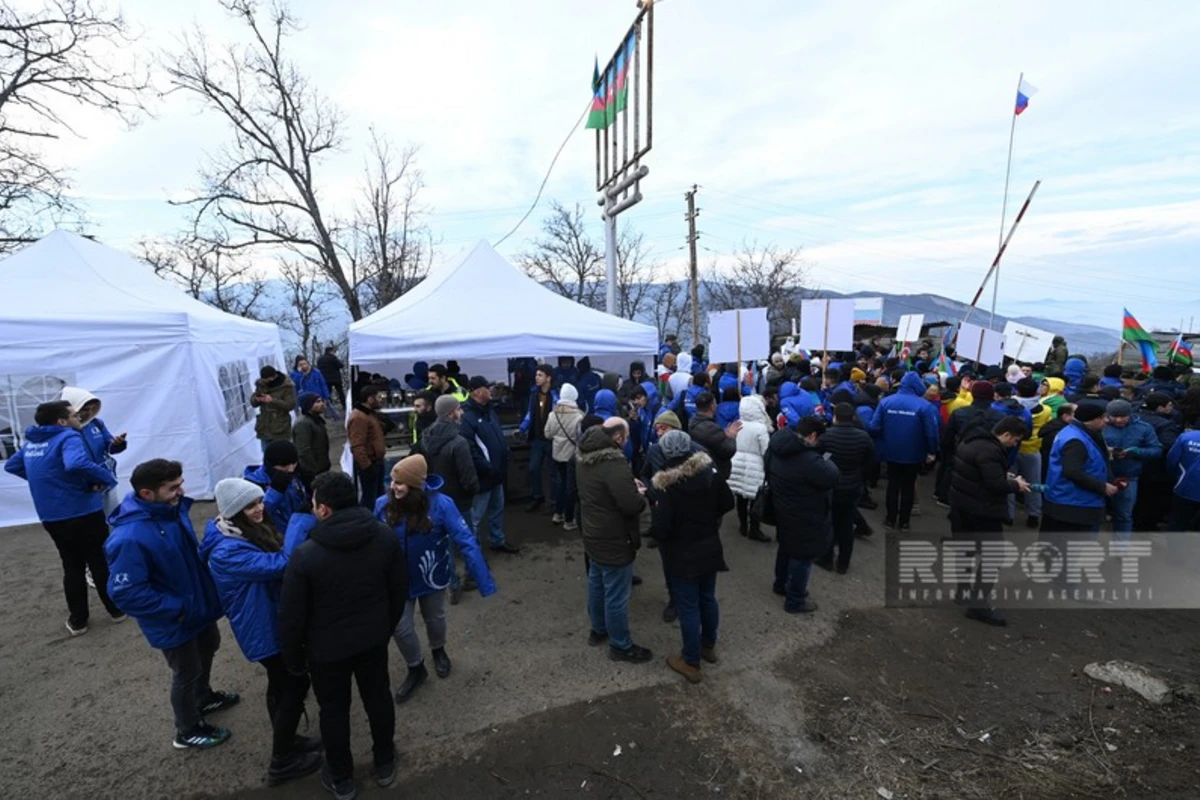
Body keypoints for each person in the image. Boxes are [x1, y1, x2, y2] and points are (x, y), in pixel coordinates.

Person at [278, 472, 407, 800]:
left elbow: (291, 616)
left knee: (334, 712)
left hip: (327, 652)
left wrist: (293, 659)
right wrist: (384, 628)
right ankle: (385, 762)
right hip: (372, 640)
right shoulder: (384, 537)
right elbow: (398, 592)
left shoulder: (305, 555)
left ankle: (342, 777)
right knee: (378, 699)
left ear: (323, 510)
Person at [105, 459, 237, 749]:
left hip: (195, 608)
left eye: (180, 484)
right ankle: (187, 729)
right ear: (146, 494)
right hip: (175, 618)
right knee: (186, 671)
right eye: (173, 487)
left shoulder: (171, 512)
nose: (181, 491)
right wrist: (177, 608)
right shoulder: (129, 537)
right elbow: (125, 592)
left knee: (209, 646)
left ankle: (203, 698)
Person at [200, 478, 322, 785]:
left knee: (281, 685)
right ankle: (281, 760)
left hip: (269, 622)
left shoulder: (237, 532)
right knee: (294, 685)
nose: (259, 509)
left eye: (258, 502)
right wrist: (301, 519)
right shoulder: (227, 550)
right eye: (250, 505)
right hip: (264, 630)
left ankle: (289, 739)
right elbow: (282, 563)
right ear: (234, 511)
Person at [377, 456, 496, 704]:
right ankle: (415, 667)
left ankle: (438, 650)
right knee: (400, 627)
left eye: (399, 482)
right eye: (392, 481)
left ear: (415, 485)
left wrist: (484, 581)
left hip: (431, 575)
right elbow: (369, 542)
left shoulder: (442, 505)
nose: (393, 487)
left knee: (435, 618)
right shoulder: (382, 505)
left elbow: (466, 540)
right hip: (397, 581)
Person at [5, 400, 123, 634]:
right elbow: (76, 463)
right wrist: (106, 478)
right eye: (73, 415)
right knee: (98, 560)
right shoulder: (69, 437)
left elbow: (13, 465)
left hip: (52, 516)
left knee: (72, 565)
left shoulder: (33, 443)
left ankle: (78, 620)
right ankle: (116, 610)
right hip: (83, 511)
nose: (78, 417)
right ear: (61, 422)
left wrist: (48, 483)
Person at [650, 430, 735, 683]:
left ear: (665, 453)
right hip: (709, 544)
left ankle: (690, 660)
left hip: (681, 552)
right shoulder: (709, 473)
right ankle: (708, 645)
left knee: (688, 606)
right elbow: (727, 502)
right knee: (707, 597)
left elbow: (661, 529)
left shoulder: (665, 486)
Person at [576, 419, 652, 663]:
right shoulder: (614, 462)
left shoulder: (584, 454)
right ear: (618, 437)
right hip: (614, 536)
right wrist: (639, 496)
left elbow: (603, 489)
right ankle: (620, 645)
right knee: (617, 594)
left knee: (596, 583)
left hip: (592, 531)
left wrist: (627, 485)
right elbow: (629, 505)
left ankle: (598, 630)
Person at [949, 417, 1031, 627]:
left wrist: (1004, 476)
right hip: (982, 510)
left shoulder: (971, 440)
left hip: (961, 505)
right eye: (1015, 440)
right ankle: (978, 605)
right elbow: (995, 484)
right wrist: (1015, 484)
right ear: (1005, 434)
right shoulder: (990, 451)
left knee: (965, 550)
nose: (1014, 445)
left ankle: (963, 591)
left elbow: (979, 473)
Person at [768, 417, 839, 614]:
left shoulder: (776, 446)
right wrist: (825, 458)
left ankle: (780, 584)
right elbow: (832, 476)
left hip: (781, 507)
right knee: (802, 557)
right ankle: (795, 600)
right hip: (805, 514)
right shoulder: (809, 460)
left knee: (785, 548)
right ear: (813, 436)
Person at [413, 395, 480, 604]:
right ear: (451, 413)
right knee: (467, 539)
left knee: (444, 544)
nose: (461, 413)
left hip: (436, 500)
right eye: (459, 409)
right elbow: (468, 475)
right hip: (459, 501)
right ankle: (471, 576)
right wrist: (473, 491)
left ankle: (452, 585)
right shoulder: (459, 442)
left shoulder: (425, 437)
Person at [867, 372, 940, 531]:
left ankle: (890, 519)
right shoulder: (924, 406)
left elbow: (874, 427)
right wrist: (932, 451)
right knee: (908, 485)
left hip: (891, 451)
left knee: (892, 485)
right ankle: (904, 522)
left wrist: (886, 438)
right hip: (914, 454)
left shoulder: (886, 402)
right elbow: (931, 433)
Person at [1040, 403, 1118, 537]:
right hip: (1074, 504)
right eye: (1101, 417)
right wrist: (1102, 486)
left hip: (1070, 500)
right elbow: (1072, 471)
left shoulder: (1075, 432)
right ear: (1089, 420)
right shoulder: (1076, 440)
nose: (1106, 421)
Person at [460, 376, 518, 554]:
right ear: (477, 391)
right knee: (476, 516)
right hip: (483, 476)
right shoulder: (467, 417)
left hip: (496, 473)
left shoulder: (489, 412)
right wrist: (486, 467)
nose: (491, 390)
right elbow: (469, 448)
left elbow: (496, 436)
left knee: (497, 510)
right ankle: (472, 550)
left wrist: (504, 452)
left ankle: (497, 540)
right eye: (487, 387)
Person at [817, 403, 876, 574]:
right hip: (853, 486)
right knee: (846, 524)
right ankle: (843, 563)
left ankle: (826, 558)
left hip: (831, 485)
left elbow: (821, 458)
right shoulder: (863, 437)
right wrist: (860, 477)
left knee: (829, 523)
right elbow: (870, 462)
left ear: (835, 417)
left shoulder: (827, 436)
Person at [1101, 399, 1162, 540]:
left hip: (1128, 477)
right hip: (1100, 476)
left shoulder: (1144, 428)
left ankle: (1122, 549)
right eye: (1114, 416)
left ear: (1130, 414)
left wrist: (1137, 452)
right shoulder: (1101, 426)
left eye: (1123, 416)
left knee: (1124, 514)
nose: (1118, 420)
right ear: (1107, 415)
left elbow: (1157, 450)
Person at [60, 386, 127, 514]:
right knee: (91, 525)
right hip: (81, 486)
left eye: (92, 409)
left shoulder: (96, 423)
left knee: (112, 519)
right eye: (84, 409)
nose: (89, 413)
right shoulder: (62, 430)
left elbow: (109, 447)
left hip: (105, 481)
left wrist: (117, 444)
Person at [1134, 393, 1183, 532]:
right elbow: (1169, 445)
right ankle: (1146, 526)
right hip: (1155, 468)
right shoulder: (1166, 424)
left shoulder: (1135, 416)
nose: (1172, 408)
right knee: (1151, 500)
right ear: (1160, 408)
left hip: (1134, 464)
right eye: (1169, 406)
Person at [728, 394, 773, 542]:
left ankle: (742, 526)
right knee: (756, 498)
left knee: (740, 496)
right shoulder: (761, 428)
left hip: (737, 462)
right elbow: (766, 450)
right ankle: (754, 528)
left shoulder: (738, 424)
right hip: (756, 466)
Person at [544, 383, 585, 531]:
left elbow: (547, 434)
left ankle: (558, 513)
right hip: (572, 456)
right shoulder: (579, 416)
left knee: (561, 484)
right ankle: (569, 520)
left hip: (557, 455)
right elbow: (581, 438)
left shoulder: (552, 414)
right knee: (571, 488)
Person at [245, 440, 310, 532]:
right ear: (271, 465)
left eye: (294, 463)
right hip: (275, 536)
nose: (291, 469)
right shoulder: (253, 484)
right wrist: (275, 492)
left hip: (299, 529)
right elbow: (256, 516)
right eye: (284, 465)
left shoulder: (296, 474)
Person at [519, 364, 558, 513]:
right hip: (537, 438)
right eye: (536, 375)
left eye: (540, 375)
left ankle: (554, 502)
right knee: (533, 468)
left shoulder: (555, 396)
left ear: (548, 378)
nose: (536, 377)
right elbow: (530, 413)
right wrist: (522, 427)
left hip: (552, 439)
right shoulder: (534, 394)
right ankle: (537, 496)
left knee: (554, 472)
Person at [348, 386, 388, 509]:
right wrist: (367, 466)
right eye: (378, 397)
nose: (381, 400)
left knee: (378, 496)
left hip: (376, 461)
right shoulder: (359, 417)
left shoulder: (369, 414)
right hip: (370, 464)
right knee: (370, 499)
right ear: (370, 399)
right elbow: (357, 445)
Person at [687, 391, 741, 480]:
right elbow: (728, 450)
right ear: (712, 406)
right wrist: (731, 437)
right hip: (714, 473)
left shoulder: (693, 423)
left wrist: (724, 436)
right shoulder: (711, 428)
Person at [252, 365, 297, 454]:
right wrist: (257, 399)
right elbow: (253, 402)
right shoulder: (261, 384)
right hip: (264, 427)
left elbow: (290, 405)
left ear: (274, 376)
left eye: (268, 379)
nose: (266, 382)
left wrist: (273, 400)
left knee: (283, 455)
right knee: (267, 455)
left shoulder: (286, 386)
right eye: (264, 380)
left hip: (280, 428)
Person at [293, 392, 331, 493]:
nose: (322, 403)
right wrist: (314, 470)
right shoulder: (303, 424)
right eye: (317, 402)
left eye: (321, 401)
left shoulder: (316, 420)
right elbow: (304, 451)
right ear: (308, 405)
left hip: (322, 468)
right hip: (313, 472)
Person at [1167, 426, 1200, 531]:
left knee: (1177, 523)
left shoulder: (1187, 437)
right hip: (1187, 487)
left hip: (1186, 487)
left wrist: (1176, 478)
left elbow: (1171, 461)